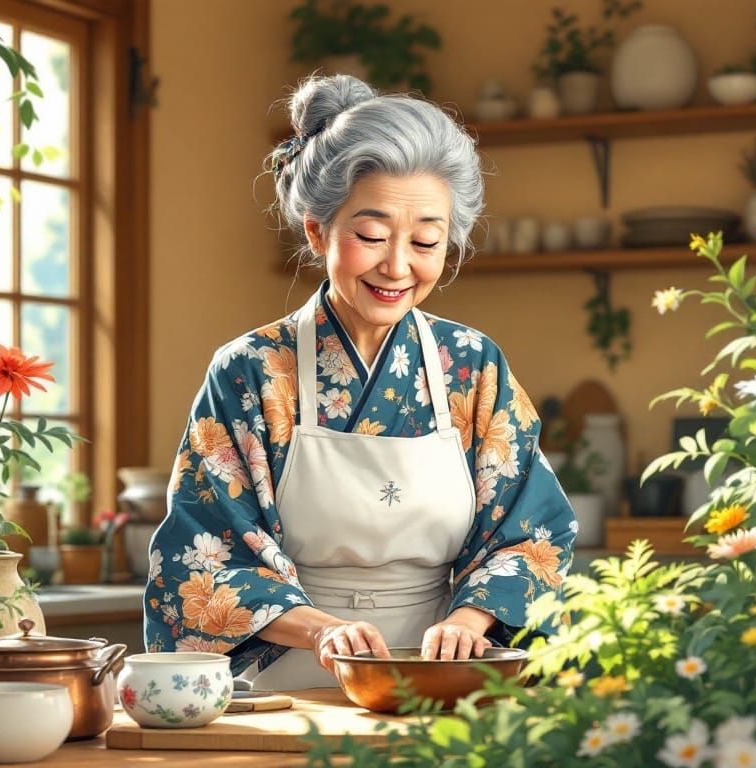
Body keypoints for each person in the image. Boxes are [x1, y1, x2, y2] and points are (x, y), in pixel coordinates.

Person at [143, 74, 578, 689]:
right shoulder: (254, 370)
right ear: (318, 230)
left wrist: (472, 618)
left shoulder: (472, 365)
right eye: (371, 236)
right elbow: (203, 552)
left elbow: (534, 534)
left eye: (426, 240)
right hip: (286, 684)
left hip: (444, 680)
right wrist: (323, 630)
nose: (398, 266)